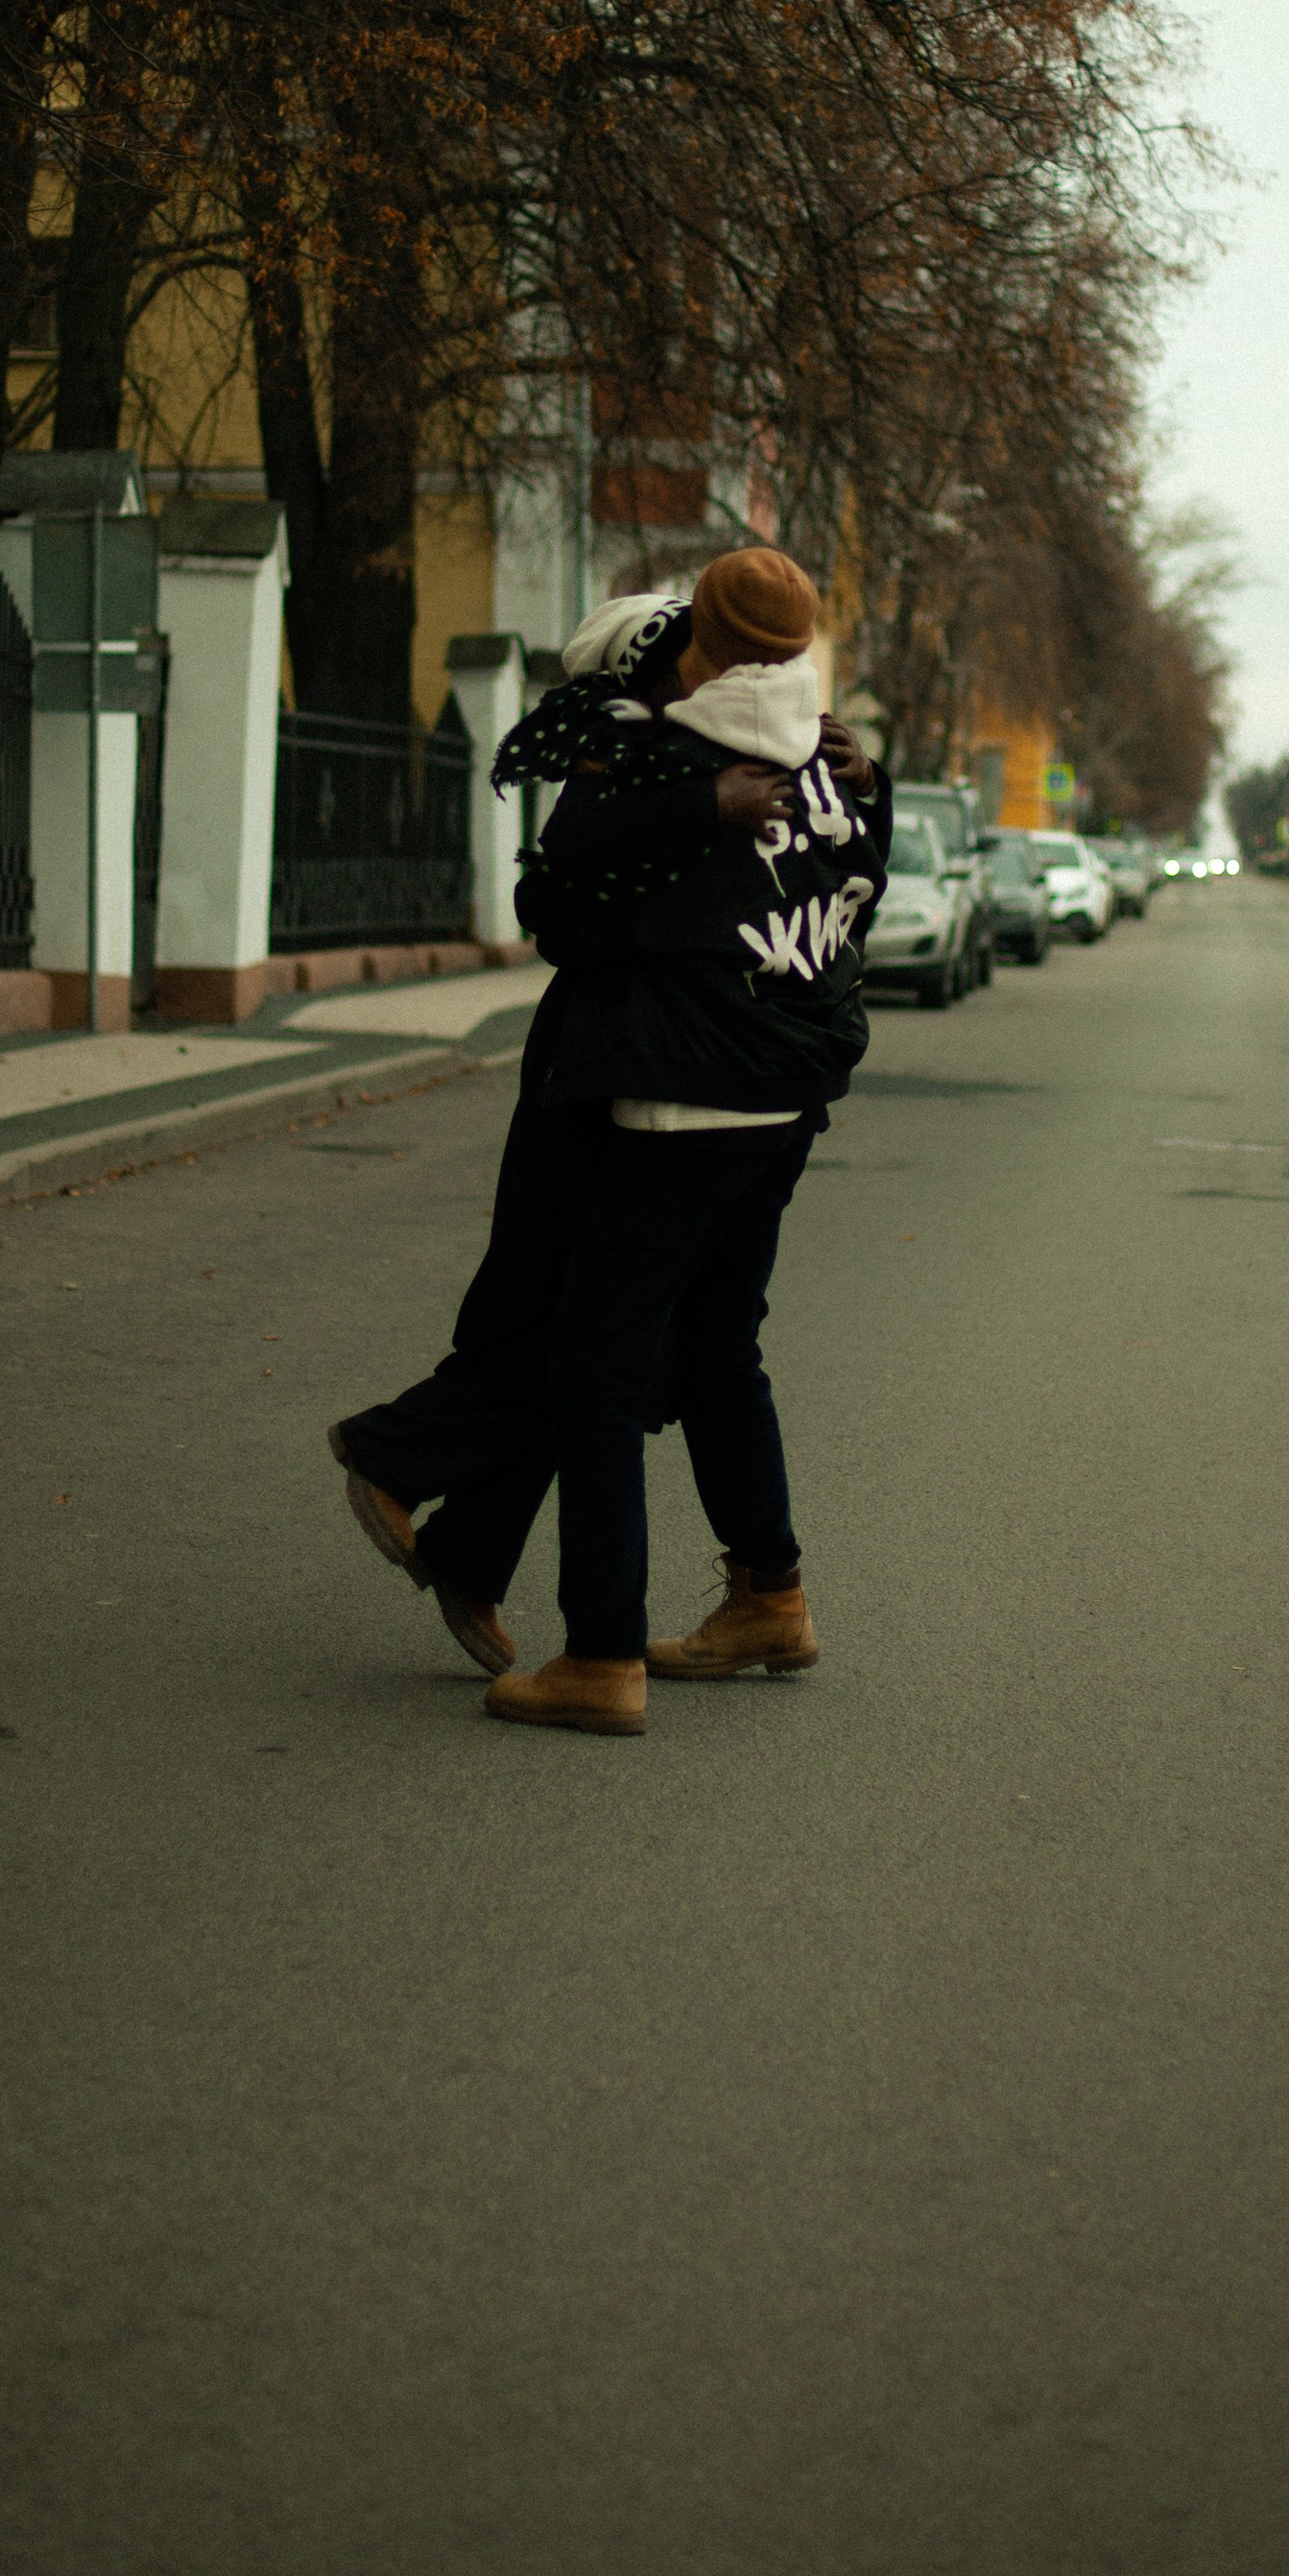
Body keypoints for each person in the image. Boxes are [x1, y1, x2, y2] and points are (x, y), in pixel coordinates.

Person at [326, 548, 891, 1737]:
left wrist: (675, 824)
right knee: (714, 1346)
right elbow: (851, 902)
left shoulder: (665, 749)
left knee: (591, 1358)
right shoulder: (839, 759)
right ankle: (767, 1594)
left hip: (669, 1097)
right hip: (784, 1099)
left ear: (693, 643)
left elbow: (560, 909)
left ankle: (595, 1653)